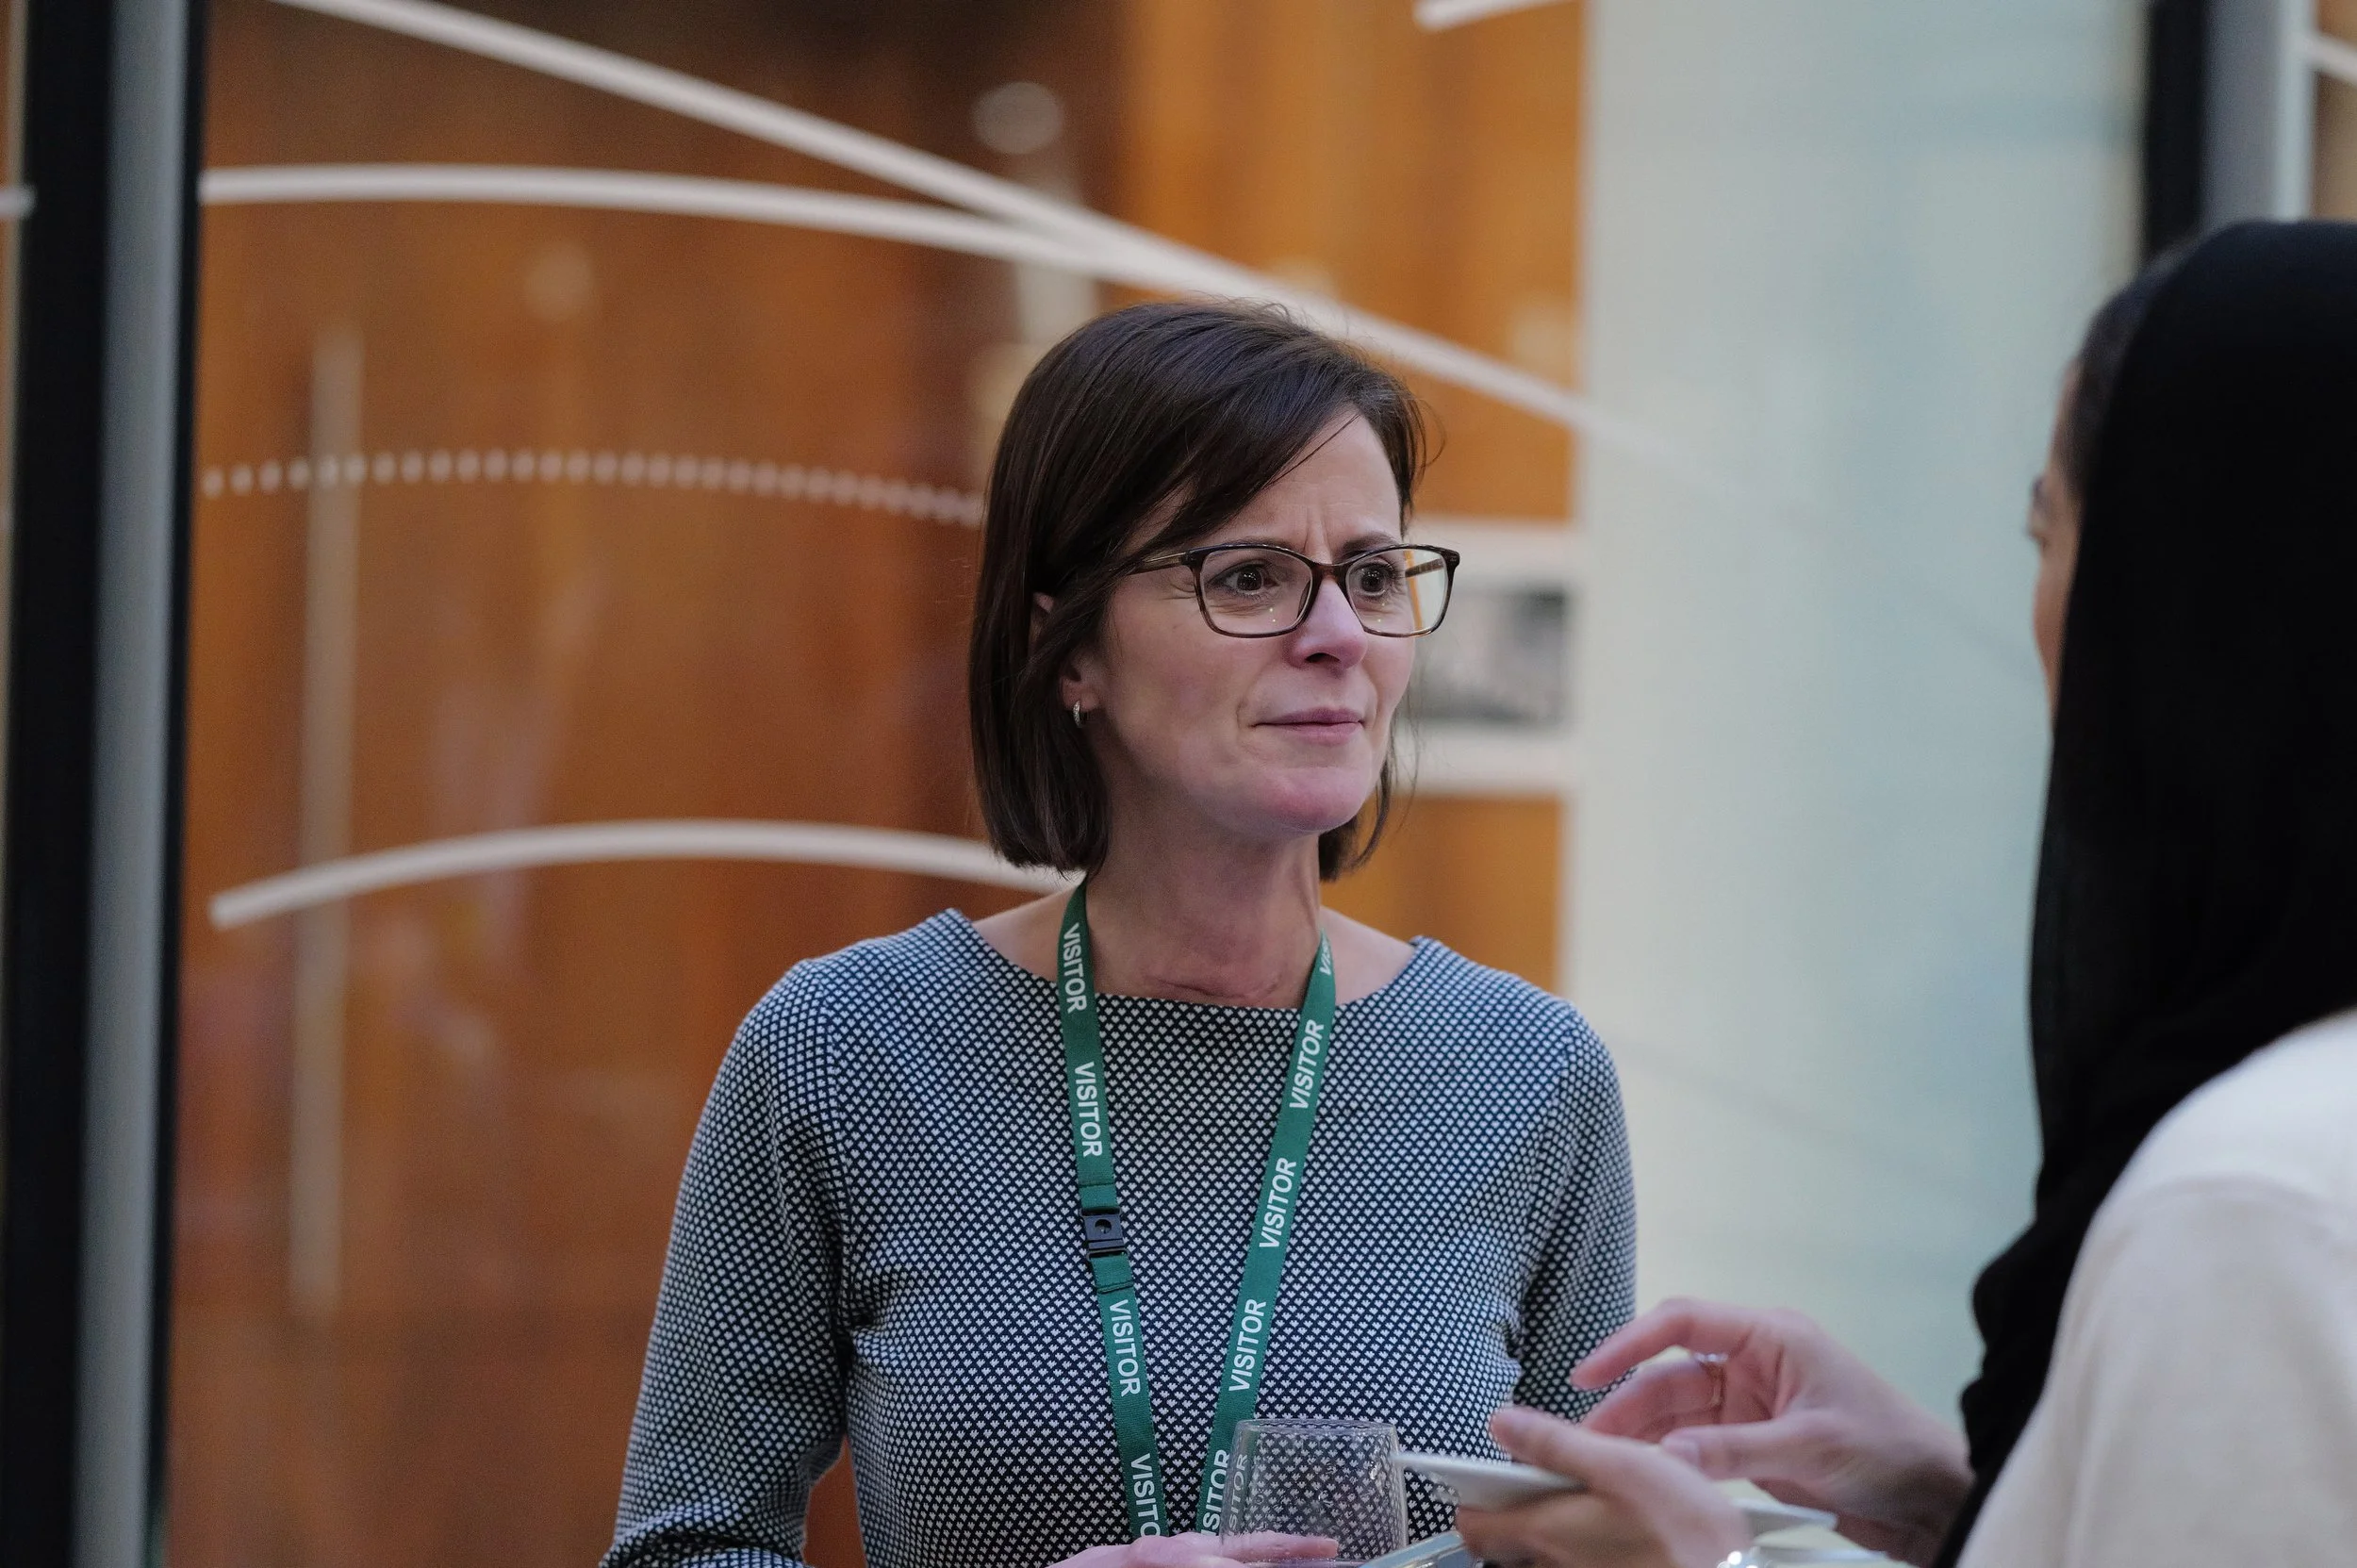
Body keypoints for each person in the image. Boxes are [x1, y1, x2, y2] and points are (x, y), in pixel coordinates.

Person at [603, 301, 1638, 1568]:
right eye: (1248, 576)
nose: (1337, 637)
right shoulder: (842, 1047)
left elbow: (1599, 1548)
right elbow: (682, 1548)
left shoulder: (1531, 1072)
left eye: (1373, 577)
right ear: (1070, 648)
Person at [1455, 219, 2357, 1568]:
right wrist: (1965, 1498)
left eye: (2054, 538)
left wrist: (1705, 1566)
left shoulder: (2252, 1205)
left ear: (2183, 612)